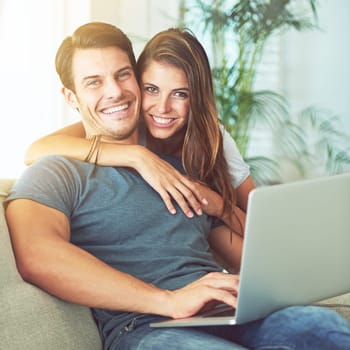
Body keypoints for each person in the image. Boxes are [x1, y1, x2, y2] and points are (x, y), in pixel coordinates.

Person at [5, 22, 350, 350]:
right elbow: (38, 257)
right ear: (70, 96)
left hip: (225, 312)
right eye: (94, 82)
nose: (114, 91)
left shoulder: (183, 169)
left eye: (122, 74)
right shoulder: (55, 172)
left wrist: (267, 271)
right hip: (145, 327)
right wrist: (169, 300)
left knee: (322, 329)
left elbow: (257, 263)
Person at [23, 30, 255, 219]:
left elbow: (263, 226)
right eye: (151, 89)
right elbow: (37, 150)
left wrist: (218, 207)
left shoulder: (212, 137)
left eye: (180, 94)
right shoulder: (128, 123)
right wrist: (137, 156)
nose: (162, 108)